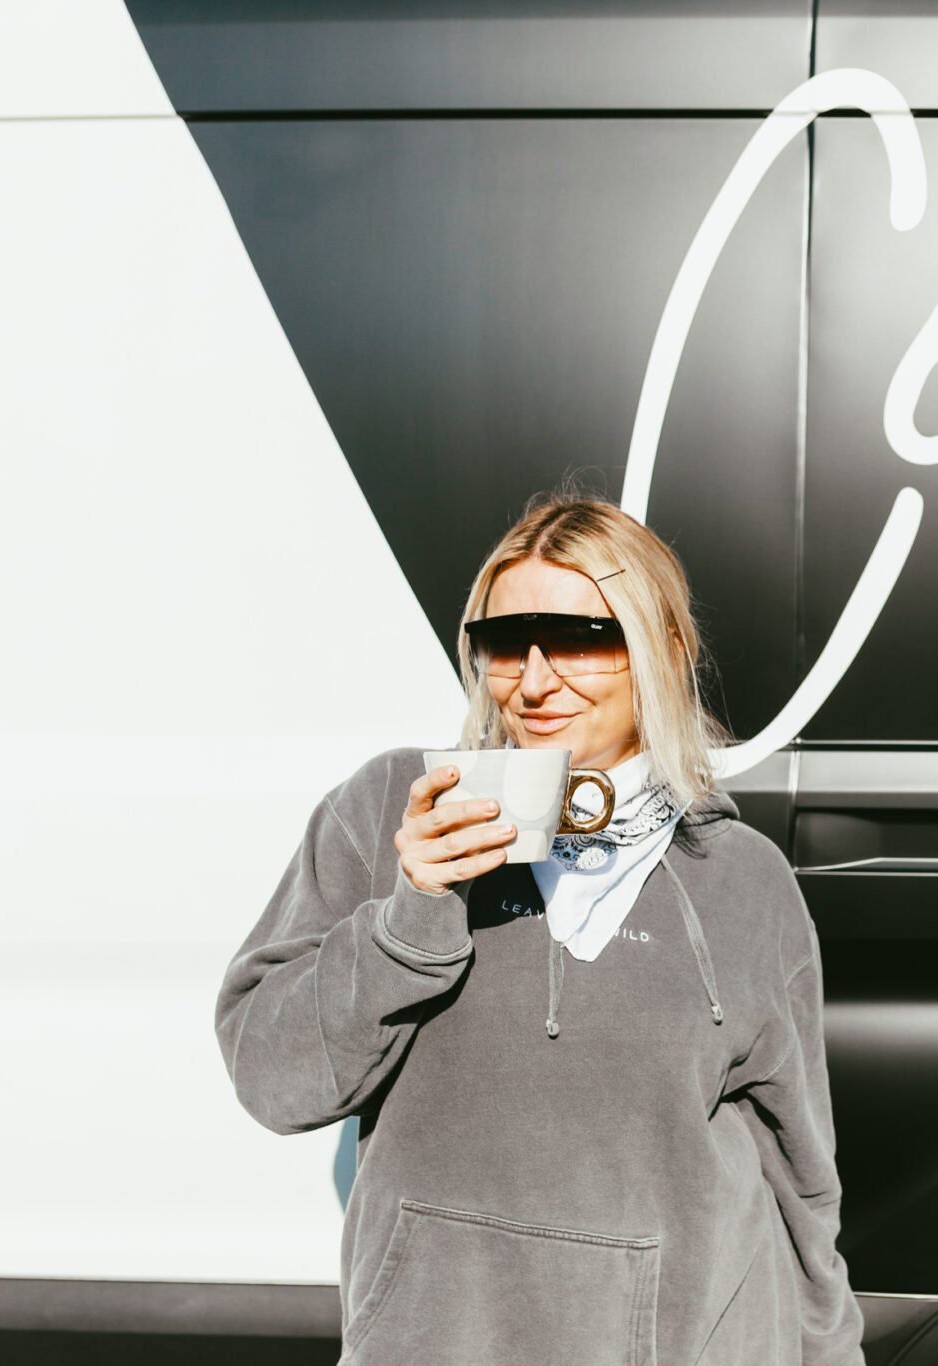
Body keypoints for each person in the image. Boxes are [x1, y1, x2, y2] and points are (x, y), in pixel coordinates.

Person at [215, 488, 865, 1365]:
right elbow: (273, 1078)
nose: (534, 679)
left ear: (663, 650)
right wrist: (413, 910)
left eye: (580, 640)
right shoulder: (393, 812)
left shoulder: (743, 879)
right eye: (502, 644)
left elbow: (800, 1188)